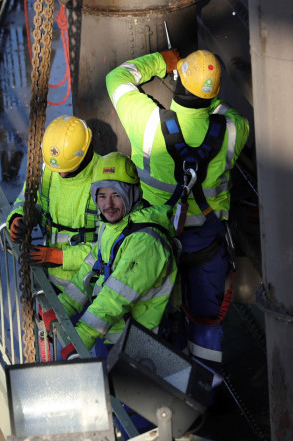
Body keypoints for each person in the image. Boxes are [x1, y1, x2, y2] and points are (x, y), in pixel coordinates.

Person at [105, 48, 250, 369]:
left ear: (179, 83)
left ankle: (164, 384)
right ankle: (206, 388)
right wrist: (207, 98)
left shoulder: (147, 122)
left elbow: (116, 78)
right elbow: (224, 110)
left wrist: (162, 61)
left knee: (156, 317)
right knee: (206, 322)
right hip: (207, 249)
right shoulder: (233, 130)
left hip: (156, 245)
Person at [40, 152, 178, 360]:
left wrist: (82, 337)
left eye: (117, 195)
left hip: (141, 346)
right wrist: (63, 307)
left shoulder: (145, 242)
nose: (108, 205)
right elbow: (90, 268)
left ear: (131, 195)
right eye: (102, 196)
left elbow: (115, 297)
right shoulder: (113, 226)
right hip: (117, 337)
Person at [2, 115, 100, 291]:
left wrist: (59, 257)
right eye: (58, 169)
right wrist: (17, 218)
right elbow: (27, 199)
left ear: (84, 152)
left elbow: (109, 247)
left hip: (92, 288)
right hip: (52, 283)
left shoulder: (105, 181)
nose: (61, 174)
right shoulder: (50, 171)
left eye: (67, 169)